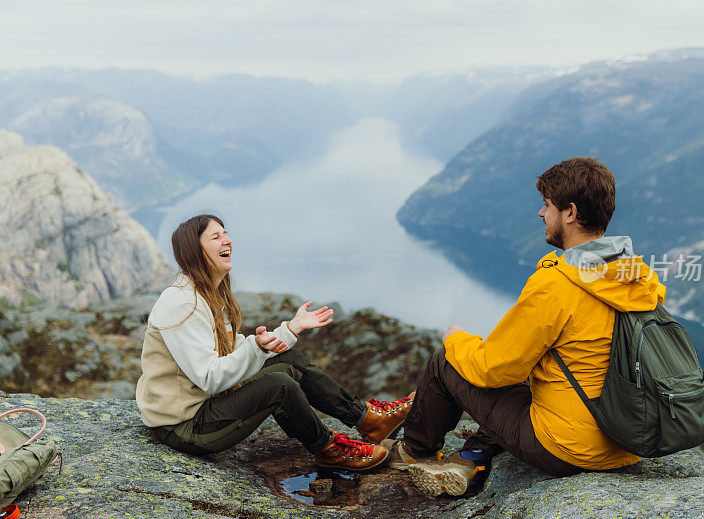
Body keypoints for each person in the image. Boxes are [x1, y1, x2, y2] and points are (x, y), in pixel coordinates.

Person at [384, 157, 666, 496]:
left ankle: (413, 452)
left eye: (547, 205)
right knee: (538, 375)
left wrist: (457, 339)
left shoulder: (555, 288)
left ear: (570, 213)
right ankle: (475, 453)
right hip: (628, 440)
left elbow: (494, 370)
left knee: (447, 361)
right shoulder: (638, 277)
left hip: (570, 450)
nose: (540, 214)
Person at [135, 214, 414, 471]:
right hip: (184, 426)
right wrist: (257, 348)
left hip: (205, 406)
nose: (227, 240)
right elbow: (210, 377)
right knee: (279, 385)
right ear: (195, 251)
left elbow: (230, 353)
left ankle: (369, 421)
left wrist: (289, 330)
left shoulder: (210, 295)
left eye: (226, 233)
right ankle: (327, 448)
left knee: (287, 361)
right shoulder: (181, 303)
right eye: (216, 237)